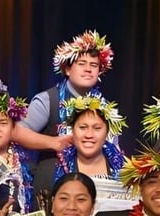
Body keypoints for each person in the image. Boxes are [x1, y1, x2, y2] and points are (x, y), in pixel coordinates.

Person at [13, 30, 115, 166]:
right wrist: (54, 142)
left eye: (94, 65)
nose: (88, 69)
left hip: (94, 176)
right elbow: (17, 133)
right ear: (67, 69)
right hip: (55, 176)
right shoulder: (48, 100)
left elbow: (114, 149)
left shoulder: (105, 106)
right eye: (81, 63)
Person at [32, 93, 127, 205]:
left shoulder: (126, 171)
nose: (89, 135)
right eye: (82, 127)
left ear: (107, 132)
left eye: (97, 128)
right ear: (72, 130)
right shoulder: (49, 171)